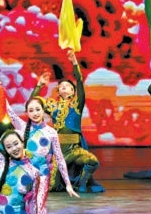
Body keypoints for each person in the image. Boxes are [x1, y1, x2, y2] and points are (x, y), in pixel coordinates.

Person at [9, 96, 77, 214]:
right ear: (27, 113)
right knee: (26, 211)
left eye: (37, 109)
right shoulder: (22, 127)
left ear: (43, 111)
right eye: (31, 110)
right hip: (26, 177)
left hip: (43, 177)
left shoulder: (51, 132)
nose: (35, 113)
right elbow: (9, 112)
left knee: (39, 209)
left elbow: (59, 158)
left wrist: (68, 184)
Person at [31, 50, 103, 193]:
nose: (63, 86)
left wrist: (74, 63)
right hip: (58, 152)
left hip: (74, 150)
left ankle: (81, 184)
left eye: (67, 85)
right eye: (61, 85)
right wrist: (39, 85)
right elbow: (33, 103)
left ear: (73, 91)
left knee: (93, 161)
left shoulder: (76, 105)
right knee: (52, 187)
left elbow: (80, 81)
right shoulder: (53, 106)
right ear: (58, 91)